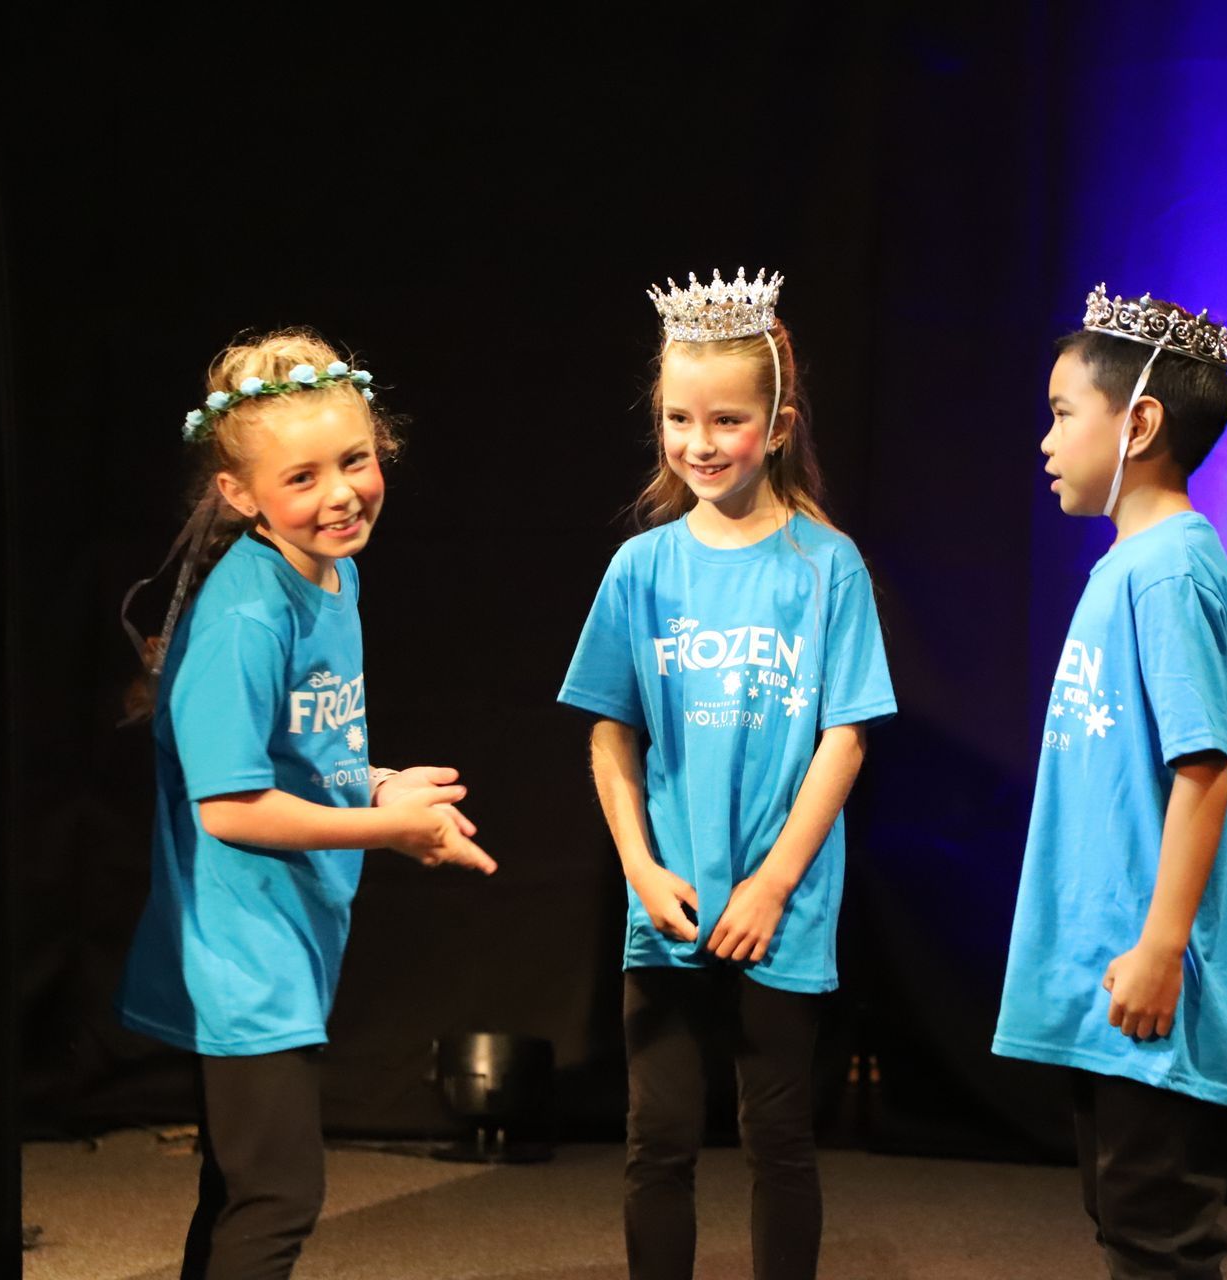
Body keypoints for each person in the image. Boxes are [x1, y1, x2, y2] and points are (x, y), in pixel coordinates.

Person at [116, 328, 496, 1280]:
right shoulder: (247, 615)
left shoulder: (334, 575)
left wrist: (374, 782)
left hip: (291, 933)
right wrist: (390, 830)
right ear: (239, 494)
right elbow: (232, 807)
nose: (340, 494)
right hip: (241, 951)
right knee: (279, 1196)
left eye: (355, 461)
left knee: (242, 1187)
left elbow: (298, 754)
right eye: (303, 478)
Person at [559, 269, 896, 1279]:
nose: (700, 442)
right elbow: (610, 733)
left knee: (778, 1139)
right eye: (678, 417)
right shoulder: (643, 566)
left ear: (779, 422)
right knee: (656, 1141)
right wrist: (640, 868)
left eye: (727, 419)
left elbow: (846, 736)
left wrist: (772, 881)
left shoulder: (826, 566)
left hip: (776, 901)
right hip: (666, 897)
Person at [992, 285, 1227, 1279]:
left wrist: (1162, 944)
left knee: (1158, 1235)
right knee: (1126, 1221)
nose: (1046, 439)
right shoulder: (1129, 567)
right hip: (1111, 982)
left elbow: (1203, 771)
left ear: (1142, 420)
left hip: (1157, 982)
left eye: (1064, 412)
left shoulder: (1168, 573)